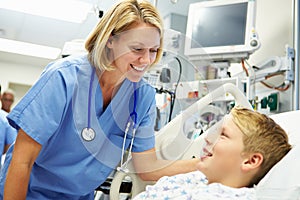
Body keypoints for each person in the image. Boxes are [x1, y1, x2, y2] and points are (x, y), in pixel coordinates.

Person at [0, 0, 199, 199]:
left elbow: (147, 167)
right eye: (137, 49)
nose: (146, 60)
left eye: (153, 50)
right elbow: (22, 161)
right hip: (28, 192)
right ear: (110, 41)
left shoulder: (142, 97)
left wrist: (203, 163)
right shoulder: (63, 78)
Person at [133, 106, 292, 199]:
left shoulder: (227, 197)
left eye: (223, 135)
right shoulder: (195, 179)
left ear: (250, 161)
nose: (208, 138)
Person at [0, 85, 17, 169]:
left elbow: (9, 145)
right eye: (5, 99)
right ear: (1, 98)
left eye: (10, 100)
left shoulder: (12, 119)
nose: (7, 102)